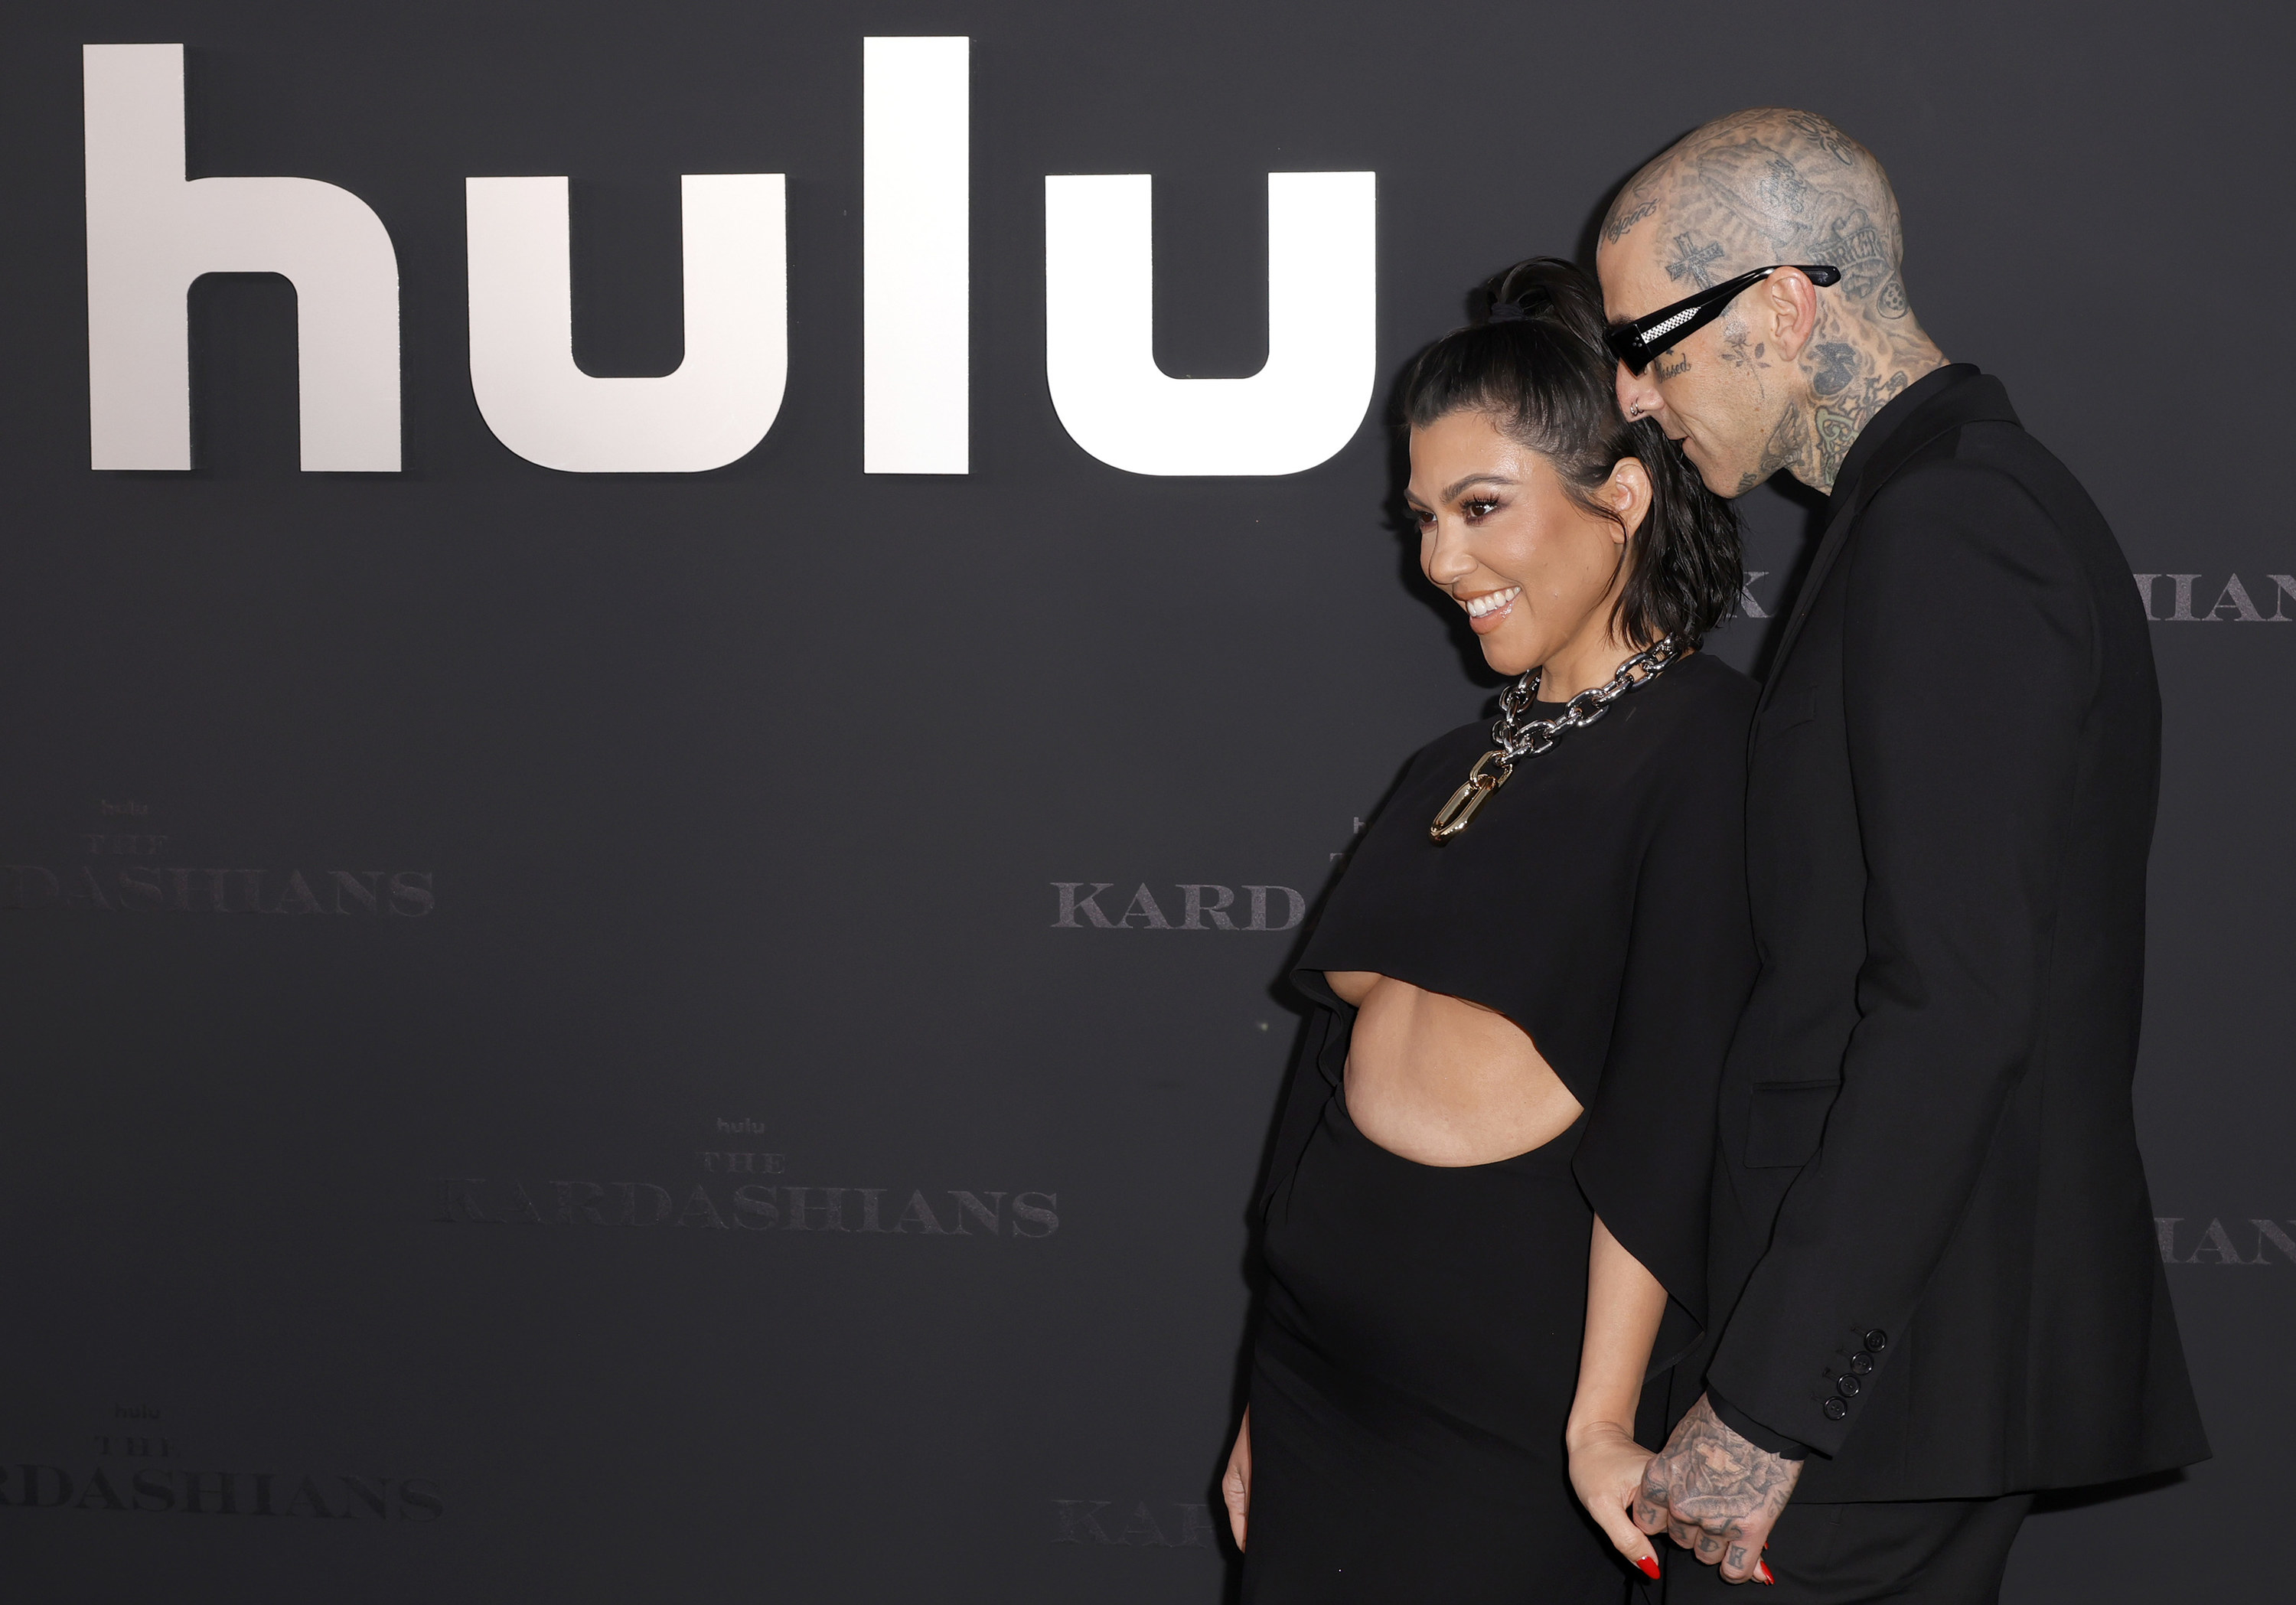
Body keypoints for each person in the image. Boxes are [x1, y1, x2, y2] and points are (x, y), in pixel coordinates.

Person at [1594, 109, 2210, 1601]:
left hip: (1874, 1396)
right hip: (1874, 1378)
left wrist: (1769, 1405)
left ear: (1787, 303)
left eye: (1655, 340)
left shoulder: (1954, 524)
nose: (1632, 394)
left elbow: (1954, 1003)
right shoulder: (1911, 513)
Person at [1221, 257, 1760, 1603]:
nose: (1440, 563)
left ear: (1621, 496)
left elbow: (1672, 1100)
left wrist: (1599, 1416)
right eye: (1421, 518)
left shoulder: (1707, 748)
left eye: (1480, 509)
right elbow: (1324, 1077)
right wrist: (1255, 1392)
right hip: (1311, 1385)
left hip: (1500, 1420)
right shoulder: (1453, 761)